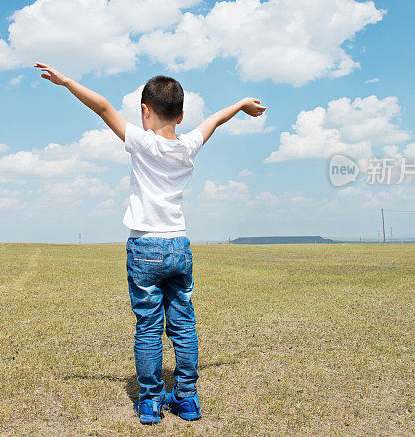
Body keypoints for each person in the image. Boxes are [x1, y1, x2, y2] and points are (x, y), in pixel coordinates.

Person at [34, 62, 266, 424]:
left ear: (145, 110)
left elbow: (102, 107)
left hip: (145, 247)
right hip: (178, 245)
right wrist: (240, 104)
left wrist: (65, 82)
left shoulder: (141, 143)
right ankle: (187, 398)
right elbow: (216, 120)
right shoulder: (188, 146)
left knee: (148, 327)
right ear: (181, 114)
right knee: (184, 325)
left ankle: (150, 402)